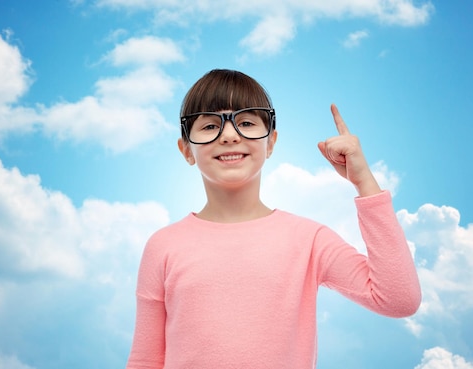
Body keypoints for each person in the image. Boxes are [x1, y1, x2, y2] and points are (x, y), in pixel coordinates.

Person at [126, 69, 421, 369]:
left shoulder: (309, 240)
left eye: (246, 122)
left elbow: (399, 300)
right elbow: (145, 359)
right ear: (186, 149)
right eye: (210, 125)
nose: (229, 135)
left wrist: (365, 184)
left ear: (271, 142)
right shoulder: (163, 246)